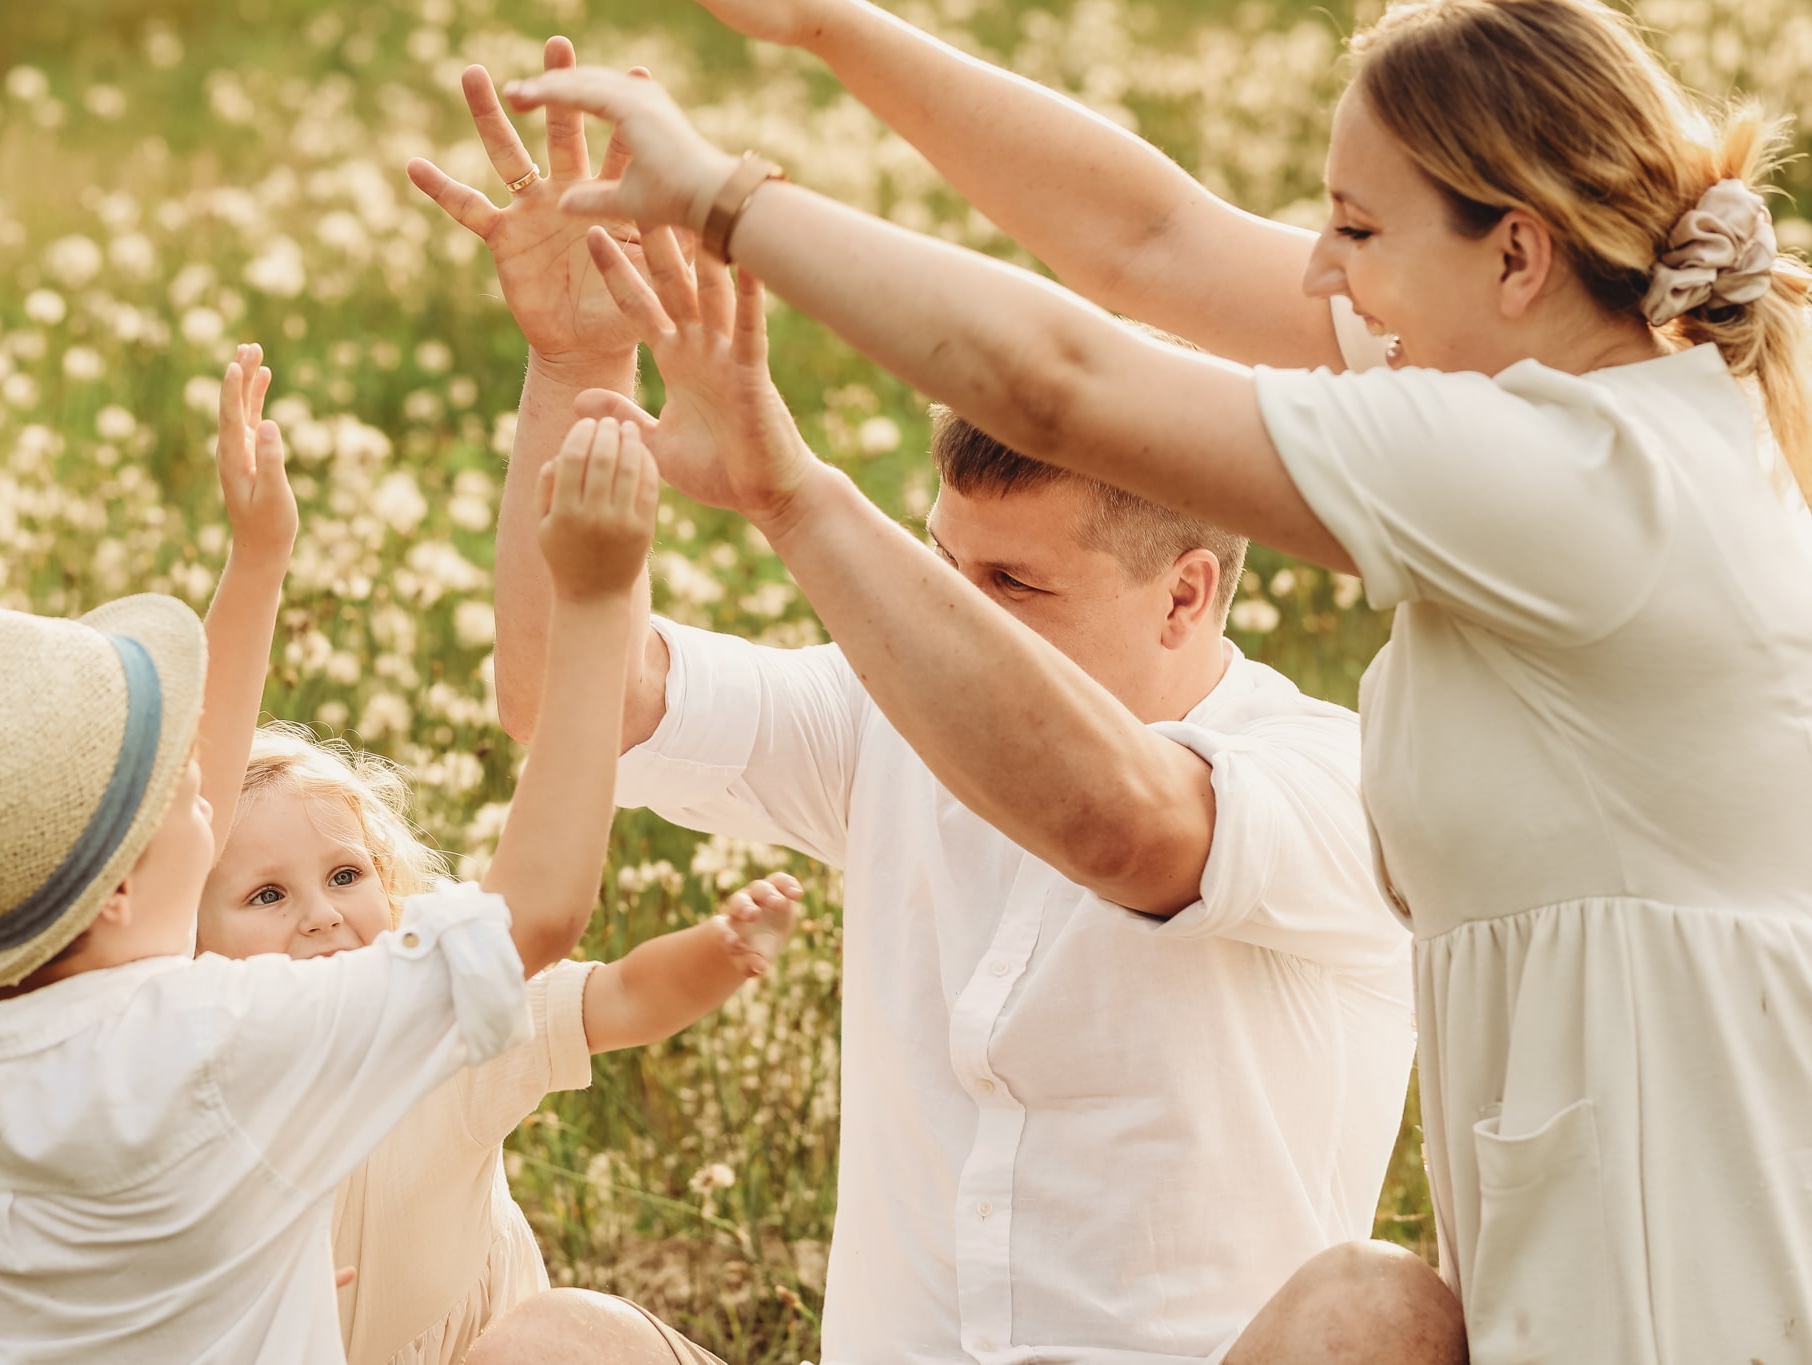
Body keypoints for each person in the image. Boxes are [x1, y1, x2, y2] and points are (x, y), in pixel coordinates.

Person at [498, 0, 1812, 1360]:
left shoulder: (1571, 476)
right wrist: (834, 29)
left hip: (1681, 1254)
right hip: (1609, 1227)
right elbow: (1150, 243)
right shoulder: (1594, 417)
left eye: (1357, 230)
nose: (1319, 278)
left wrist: (724, 203)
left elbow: (1056, 381)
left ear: (1518, 255)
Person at [409, 47, 1419, 1364]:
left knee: (1375, 1304)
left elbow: (1129, 829)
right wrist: (578, 369)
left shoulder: (1334, 779)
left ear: (1188, 596)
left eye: (1017, 584)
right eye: (947, 568)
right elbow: (565, 696)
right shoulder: (882, 711)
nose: (954, 615)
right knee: (557, 1344)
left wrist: (789, 490)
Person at [0, 347, 659, 1361]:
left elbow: (176, 812)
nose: (203, 778)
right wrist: (592, 601)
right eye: (176, 792)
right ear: (115, 895)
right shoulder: (215, 1047)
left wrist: (259, 558)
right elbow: (531, 914)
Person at [194, 717, 800, 1365]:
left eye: (345, 875)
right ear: (189, 940)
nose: (323, 914)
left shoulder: (438, 1023)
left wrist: (721, 949)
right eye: (268, 894)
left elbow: (620, 997)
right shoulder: (175, 1089)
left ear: (391, 887)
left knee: (565, 1331)